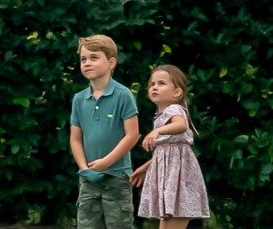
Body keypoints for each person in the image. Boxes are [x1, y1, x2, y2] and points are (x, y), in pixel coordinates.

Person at [70, 34, 139, 229]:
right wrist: (85, 168)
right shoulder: (79, 99)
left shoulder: (123, 95)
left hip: (117, 176)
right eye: (83, 59)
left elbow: (132, 135)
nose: (87, 63)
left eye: (94, 58)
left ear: (111, 63)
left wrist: (105, 163)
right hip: (88, 179)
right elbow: (75, 139)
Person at [130, 65, 210, 229]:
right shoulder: (161, 114)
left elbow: (181, 126)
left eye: (161, 83)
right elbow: (168, 152)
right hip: (171, 180)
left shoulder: (174, 109)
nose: (154, 87)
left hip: (179, 181)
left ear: (177, 92)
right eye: (152, 84)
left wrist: (156, 132)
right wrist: (147, 166)